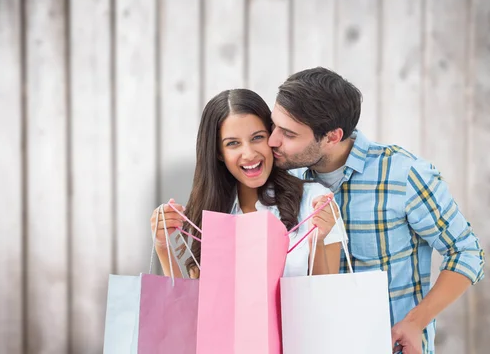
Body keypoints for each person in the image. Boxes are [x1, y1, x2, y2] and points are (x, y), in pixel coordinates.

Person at [268, 67, 485, 354]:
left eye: (288, 134)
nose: (272, 141)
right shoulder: (288, 183)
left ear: (333, 136)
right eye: (274, 126)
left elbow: (466, 252)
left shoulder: (404, 174)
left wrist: (415, 322)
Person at [151, 89, 346, 279]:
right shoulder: (210, 213)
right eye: (233, 143)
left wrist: (317, 243)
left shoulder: (314, 201)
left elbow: (325, 299)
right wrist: (162, 246)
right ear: (219, 152)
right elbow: (193, 305)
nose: (250, 153)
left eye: (257, 138)